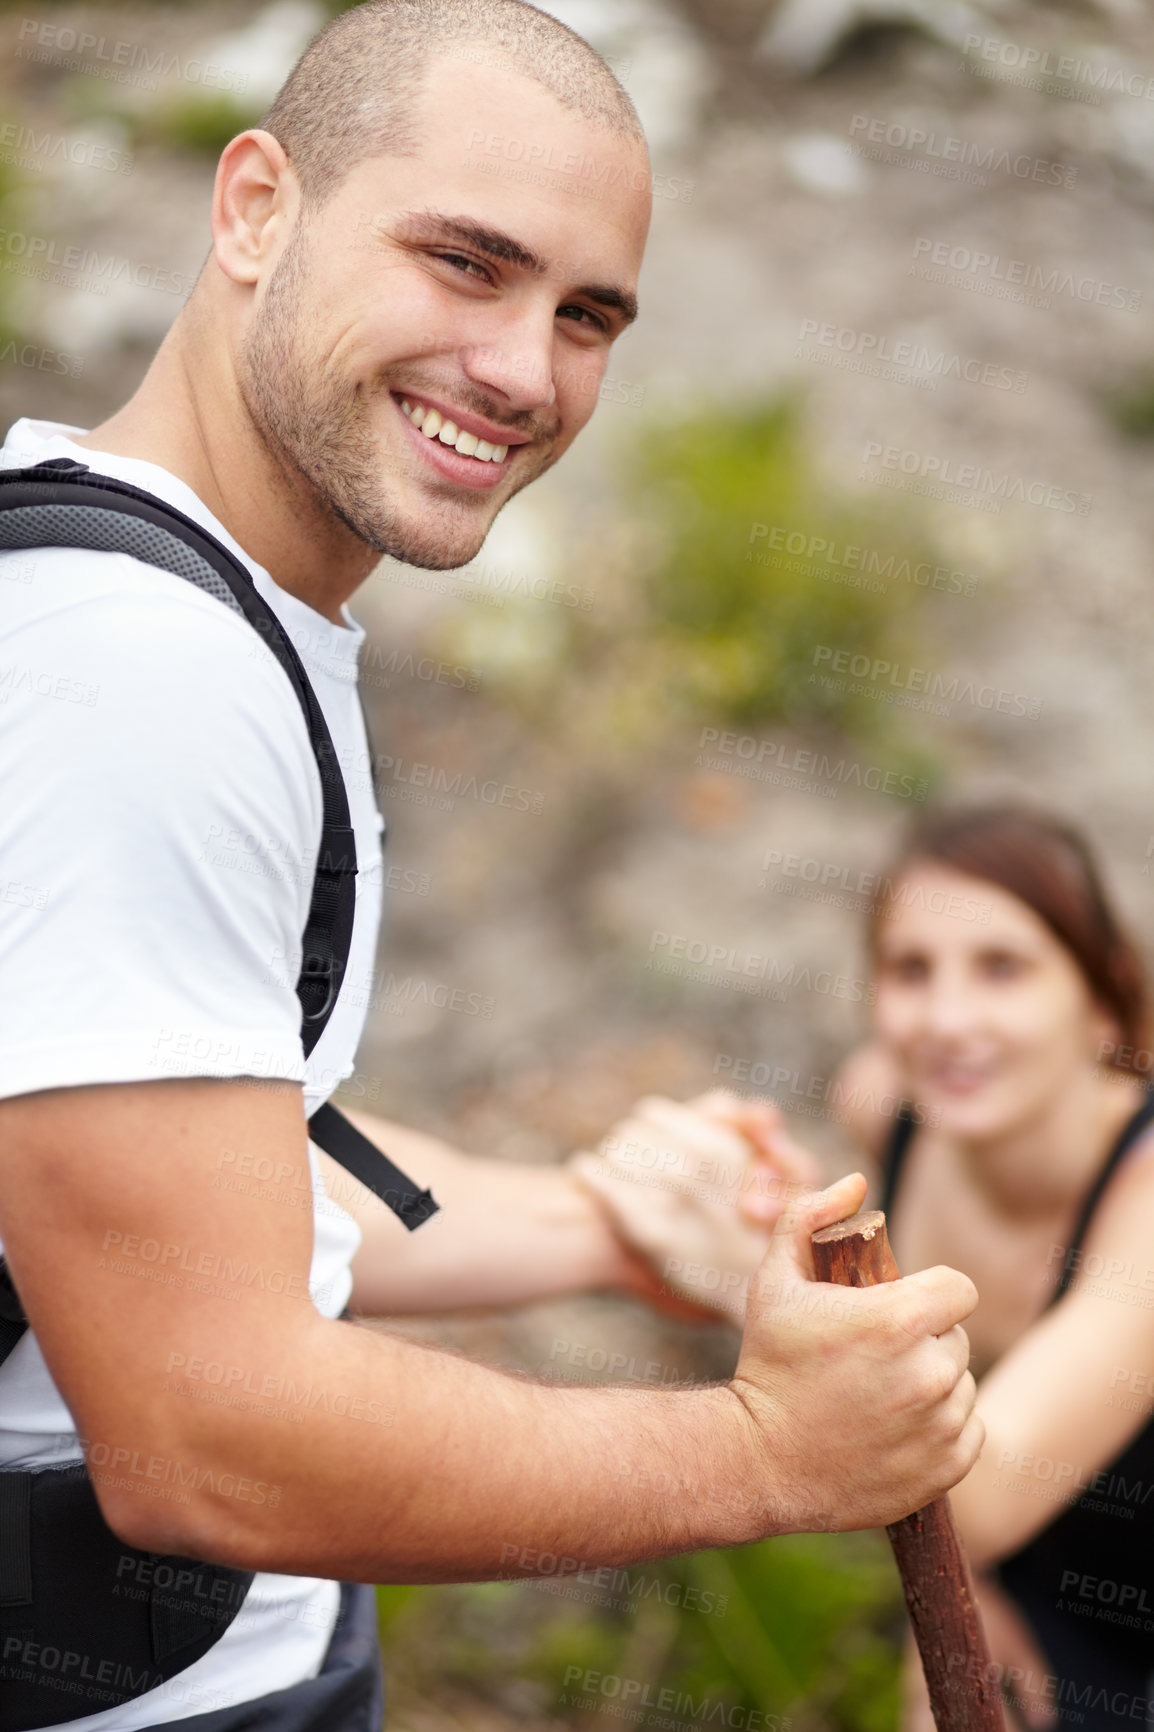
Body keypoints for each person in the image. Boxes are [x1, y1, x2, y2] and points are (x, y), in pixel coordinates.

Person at [0, 5, 983, 1729]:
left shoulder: (155, 584)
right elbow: (199, 1433)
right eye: (466, 263)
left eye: (585, 315)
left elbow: (229, 1186)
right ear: (252, 209)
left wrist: (604, 1226)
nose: (527, 371)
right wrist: (769, 1450)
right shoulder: (138, 681)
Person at [585, 804, 1154, 1732]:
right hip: (1051, 1569)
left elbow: (994, 1488)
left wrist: (745, 1283)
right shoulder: (887, 1105)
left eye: (1002, 968)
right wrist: (976, 1588)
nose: (947, 1019)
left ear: (1099, 998)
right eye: (910, 970)